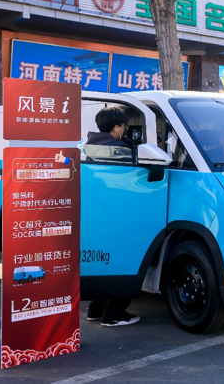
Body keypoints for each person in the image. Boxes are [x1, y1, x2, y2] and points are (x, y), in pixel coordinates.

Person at [84, 106, 140, 327]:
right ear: (117, 128)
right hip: (118, 213)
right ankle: (113, 314)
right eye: (124, 127)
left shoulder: (89, 145)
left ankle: (95, 309)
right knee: (123, 260)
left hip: (94, 214)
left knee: (103, 261)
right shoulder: (120, 149)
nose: (125, 131)